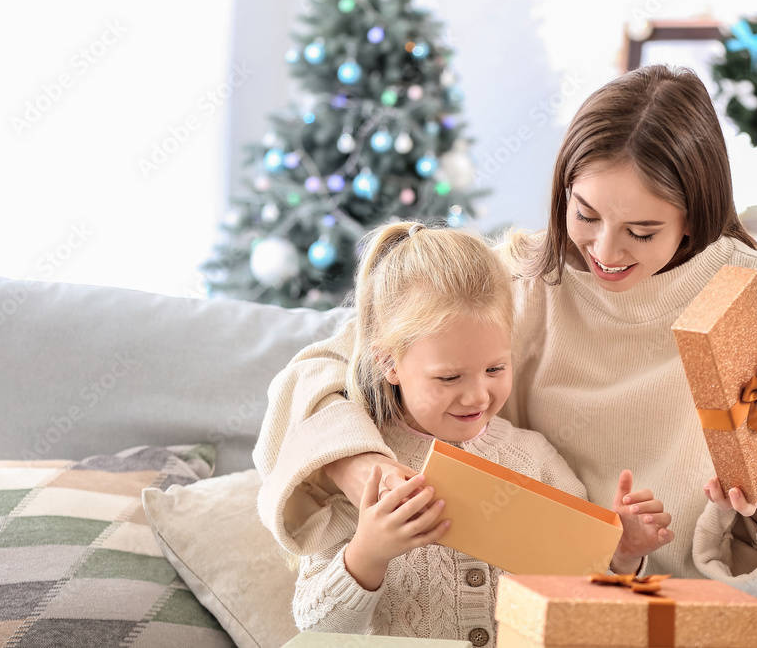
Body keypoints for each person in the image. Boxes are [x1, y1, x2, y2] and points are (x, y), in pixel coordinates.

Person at [254, 65, 757, 643]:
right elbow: (326, 369)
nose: (604, 251)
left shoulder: (745, 296)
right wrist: (369, 469)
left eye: (642, 231)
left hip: (729, 615)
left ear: (694, 218)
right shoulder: (527, 280)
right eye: (584, 214)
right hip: (580, 616)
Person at [286, 221, 673, 641]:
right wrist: (367, 554)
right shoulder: (359, 467)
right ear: (389, 364)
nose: (477, 397)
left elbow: (589, 611)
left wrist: (622, 559)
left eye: (495, 369)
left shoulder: (534, 458)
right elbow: (313, 627)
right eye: (449, 378)